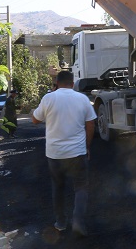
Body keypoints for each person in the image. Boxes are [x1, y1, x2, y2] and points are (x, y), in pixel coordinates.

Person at [32, 71, 96, 236]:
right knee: (81, 187)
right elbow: (91, 125)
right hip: (77, 153)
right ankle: (78, 222)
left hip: (55, 154)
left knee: (58, 187)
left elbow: (35, 120)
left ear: (57, 83)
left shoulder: (49, 98)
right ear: (73, 83)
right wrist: (87, 146)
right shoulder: (82, 99)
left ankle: (60, 222)